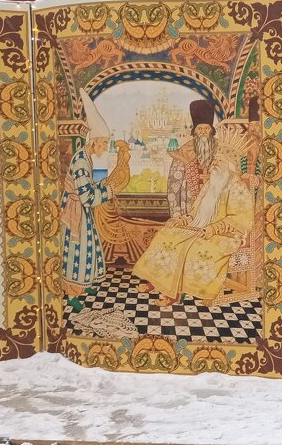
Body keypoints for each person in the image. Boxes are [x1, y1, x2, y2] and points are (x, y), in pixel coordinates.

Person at [132, 127, 259, 305]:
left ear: (230, 165)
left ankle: (173, 294)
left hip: (225, 235)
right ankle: (158, 283)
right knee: (165, 235)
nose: (214, 164)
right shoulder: (210, 185)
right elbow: (194, 212)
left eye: (219, 161)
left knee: (191, 248)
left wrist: (213, 228)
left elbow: (240, 219)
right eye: (214, 160)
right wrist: (181, 220)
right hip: (199, 228)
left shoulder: (237, 187)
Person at [61, 90, 130, 297]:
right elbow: (87, 197)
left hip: (81, 211)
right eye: (102, 144)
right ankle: (73, 292)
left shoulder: (86, 157)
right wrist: (109, 190)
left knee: (87, 247)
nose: (104, 148)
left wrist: (102, 184)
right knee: (77, 250)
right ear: (93, 141)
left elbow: (87, 187)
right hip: (76, 212)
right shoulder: (81, 161)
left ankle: (82, 284)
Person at [167, 100, 217, 219]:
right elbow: (174, 182)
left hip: (215, 206)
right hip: (188, 207)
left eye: (206, 128)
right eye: (200, 129)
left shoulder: (221, 150)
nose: (203, 132)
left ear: (211, 130)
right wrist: (176, 213)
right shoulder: (184, 151)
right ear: (194, 131)